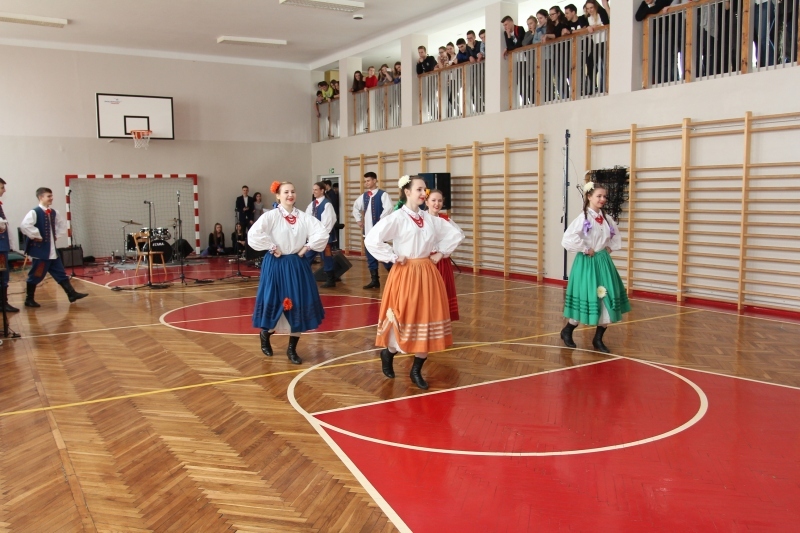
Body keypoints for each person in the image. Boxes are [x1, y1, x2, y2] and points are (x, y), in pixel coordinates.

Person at [365, 176, 464, 389]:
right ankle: (389, 353)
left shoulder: (429, 218)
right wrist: (392, 256)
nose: (423, 193)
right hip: (406, 273)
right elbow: (372, 239)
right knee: (404, 316)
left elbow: (456, 234)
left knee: (427, 318)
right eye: (419, 189)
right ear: (407, 192)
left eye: (424, 190)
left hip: (427, 273)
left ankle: (416, 370)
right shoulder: (397, 218)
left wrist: (441, 253)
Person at [249, 181, 328, 365]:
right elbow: (253, 234)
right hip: (275, 265)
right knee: (275, 303)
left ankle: (292, 349)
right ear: (278, 196)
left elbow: (322, 233)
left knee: (298, 304)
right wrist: (271, 246)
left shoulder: (304, 217)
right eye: (286, 192)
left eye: (292, 191)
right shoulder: (271, 216)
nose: (290, 195)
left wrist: (307, 246)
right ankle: (265, 334)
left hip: (297, 265)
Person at [560, 181, 631, 353]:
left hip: (603, 262)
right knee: (587, 295)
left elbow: (615, 236)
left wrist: (609, 247)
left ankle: (598, 339)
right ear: (589, 196)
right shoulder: (583, 218)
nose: (602, 199)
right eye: (599, 196)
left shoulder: (607, 218)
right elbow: (568, 238)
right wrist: (585, 249)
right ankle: (568, 330)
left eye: (604, 196)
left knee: (607, 296)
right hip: (587, 263)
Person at [20, 187, 88, 308]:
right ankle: (29, 299)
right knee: (36, 274)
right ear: (41, 197)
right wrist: (37, 235)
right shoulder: (35, 212)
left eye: (51, 196)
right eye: (49, 196)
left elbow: (62, 224)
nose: (52, 198)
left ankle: (71, 294)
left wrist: (56, 235)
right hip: (41, 253)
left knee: (60, 273)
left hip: (52, 252)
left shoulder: (53, 212)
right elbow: (25, 225)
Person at [425, 189, 464, 321]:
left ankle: (440, 321)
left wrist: (442, 252)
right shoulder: (420, 218)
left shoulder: (446, 220)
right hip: (425, 262)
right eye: (433, 200)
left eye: (440, 201)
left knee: (442, 291)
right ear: (426, 202)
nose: (437, 203)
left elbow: (459, 235)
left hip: (441, 263)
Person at [351, 171, 393, 289]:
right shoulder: (364, 196)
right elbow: (355, 207)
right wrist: (359, 220)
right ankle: (375, 280)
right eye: (365, 181)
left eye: (368, 180)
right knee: (370, 256)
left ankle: (395, 276)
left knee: (383, 254)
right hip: (367, 232)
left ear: (375, 180)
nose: (366, 183)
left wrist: (381, 221)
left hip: (379, 232)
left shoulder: (383, 195)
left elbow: (389, 209)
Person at [305, 182, 338, 288]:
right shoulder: (312, 204)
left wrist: (321, 235)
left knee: (326, 257)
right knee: (307, 256)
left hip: (324, 238)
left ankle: (331, 279)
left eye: (316, 189)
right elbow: (307, 219)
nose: (313, 191)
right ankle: (304, 277)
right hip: (314, 237)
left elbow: (329, 222)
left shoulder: (327, 204)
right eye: (313, 189)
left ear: (322, 190)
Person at [0, 178, 19, 312]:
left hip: (3, 247)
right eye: (2, 187)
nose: (4, 190)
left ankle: (3, 302)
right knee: (2, 275)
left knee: (3, 274)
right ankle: (2, 304)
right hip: (0, 248)